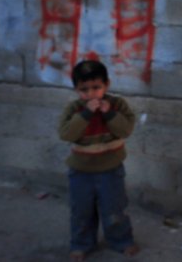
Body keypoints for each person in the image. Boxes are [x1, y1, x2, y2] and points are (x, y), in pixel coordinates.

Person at [58, 59, 139, 261]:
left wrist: (108, 113)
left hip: (111, 170)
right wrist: (86, 114)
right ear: (76, 89)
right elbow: (66, 134)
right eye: (84, 89)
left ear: (107, 85)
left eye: (96, 88)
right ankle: (81, 244)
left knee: (115, 209)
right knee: (81, 211)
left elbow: (125, 130)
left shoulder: (117, 105)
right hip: (80, 172)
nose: (91, 94)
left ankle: (121, 241)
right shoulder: (74, 109)